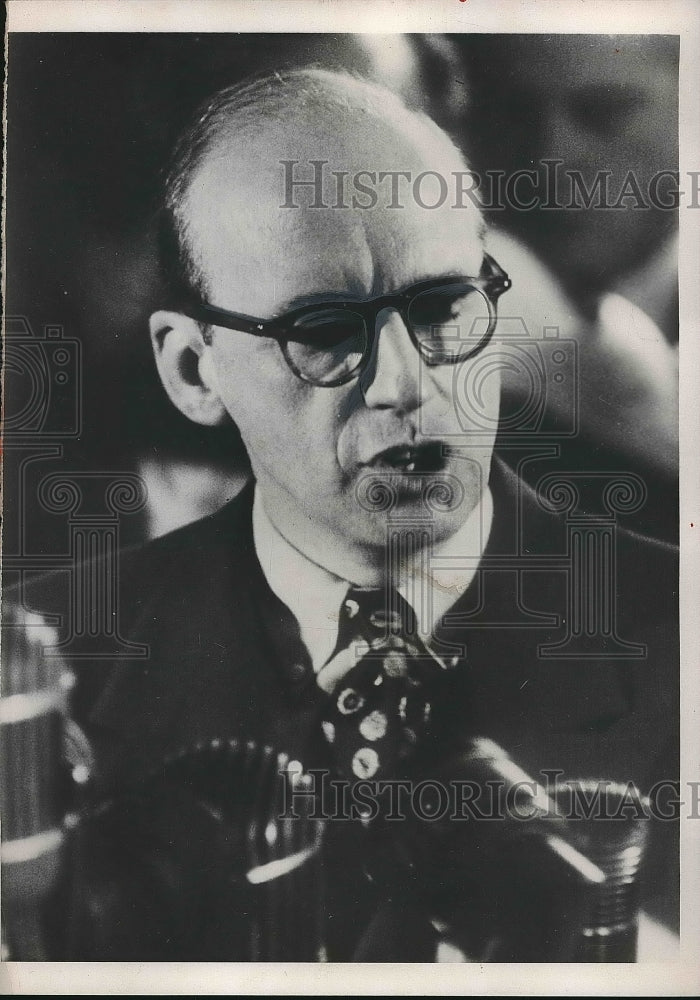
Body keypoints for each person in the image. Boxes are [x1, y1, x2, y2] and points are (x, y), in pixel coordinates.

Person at [6, 69, 678, 962]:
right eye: (325, 330)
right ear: (193, 371)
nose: (406, 384)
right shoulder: (45, 681)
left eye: (442, 308)